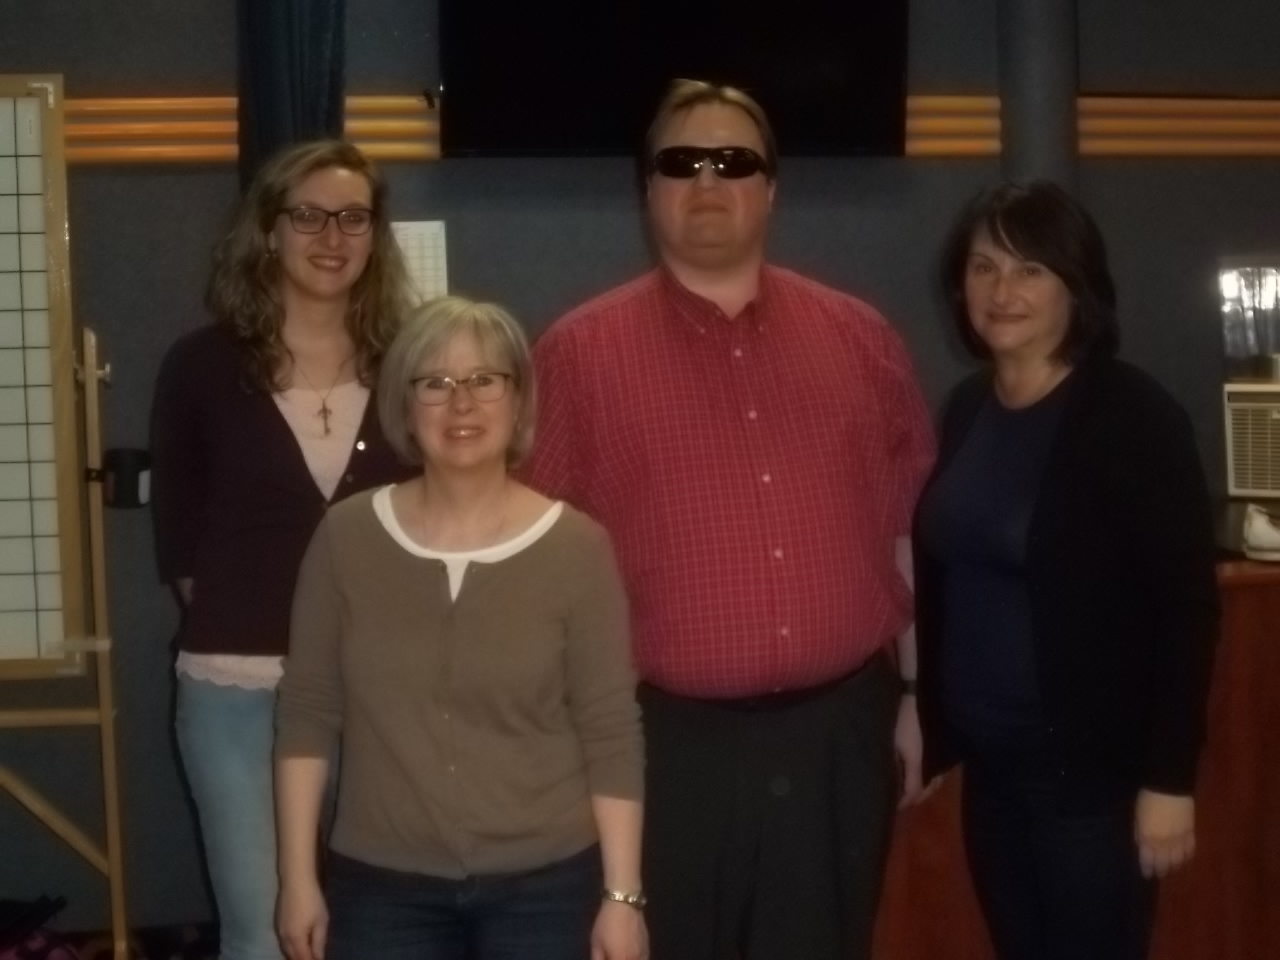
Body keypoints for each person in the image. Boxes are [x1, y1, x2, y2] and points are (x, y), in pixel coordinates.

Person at [523, 79, 935, 960]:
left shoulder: (862, 339)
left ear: (771, 189)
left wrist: (913, 695)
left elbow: (905, 531)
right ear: (649, 190)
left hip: (839, 738)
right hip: (663, 749)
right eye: (681, 163)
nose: (707, 181)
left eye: (733, 162)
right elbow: (533, 570)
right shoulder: (575, 356)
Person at [274, 296, 647, 960]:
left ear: (518, 401)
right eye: (436, 383)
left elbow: (610, 728)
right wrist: (297, 879)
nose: (462, 403)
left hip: (548, 890)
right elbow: (308, 711)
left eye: (484, 379)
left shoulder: (577, 549)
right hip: (381, 891)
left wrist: (622, 898)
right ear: (405, 406)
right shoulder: (345, 538)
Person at [914, 181, 1220, 960]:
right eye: (984, 267)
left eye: (1030, 270)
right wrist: (928, 718)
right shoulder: (968, 408)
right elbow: (946, 575)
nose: (1002, 291)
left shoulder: (1133, 416)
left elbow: (1187, 611)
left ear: (1076, 287)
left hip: (1088, 783)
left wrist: (1170, 782)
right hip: (992, 773)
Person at [150, 139, 415, 960]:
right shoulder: (199, 367)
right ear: (268, 229)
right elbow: (181, 547)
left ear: (375, 236)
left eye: (353, 218)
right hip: (240, 698)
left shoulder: (414, 363)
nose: (331, 237)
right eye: (307, 215)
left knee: (378, 932)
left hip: (384, 697)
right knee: (270, 935)